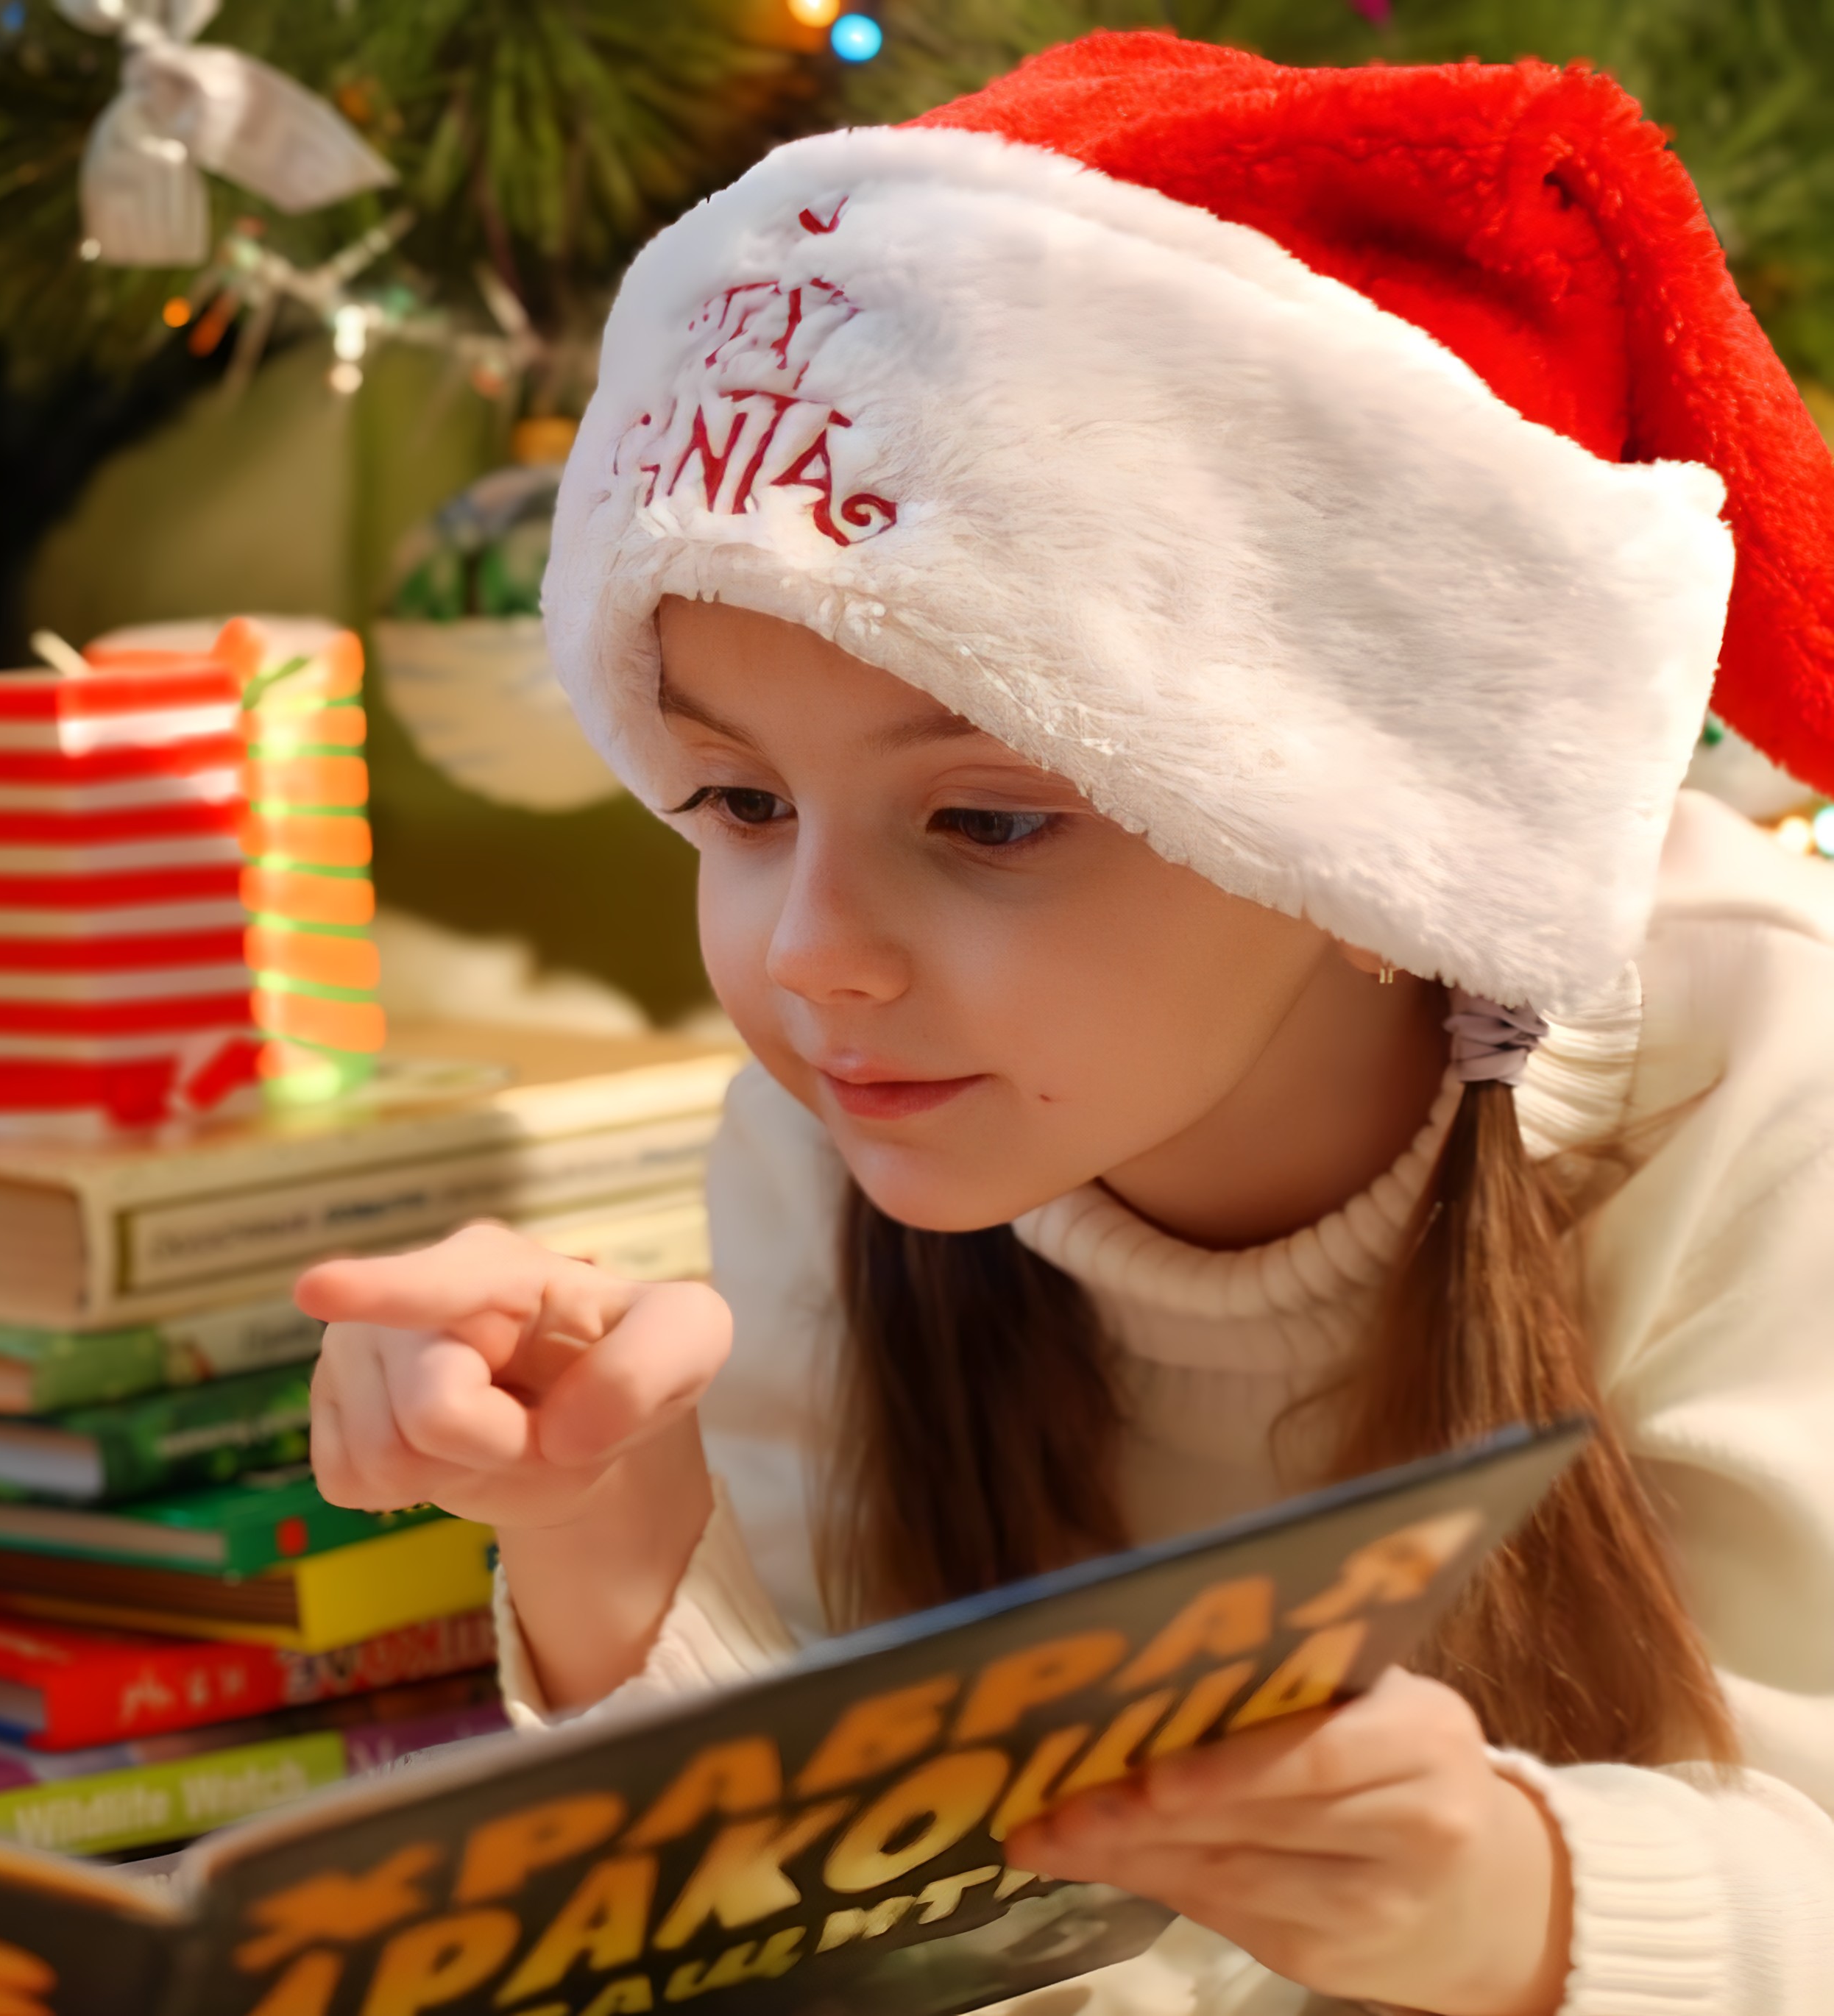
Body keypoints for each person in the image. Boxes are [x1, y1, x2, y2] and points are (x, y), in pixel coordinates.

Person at [299, 34, 1834, 2016]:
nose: (815, 953)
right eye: (741, 802)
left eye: (990, 819)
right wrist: (610, 1542)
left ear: (1364, 809)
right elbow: (890, 1948)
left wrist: (1518, 1904)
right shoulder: (853, 1118)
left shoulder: (1761, 1069)